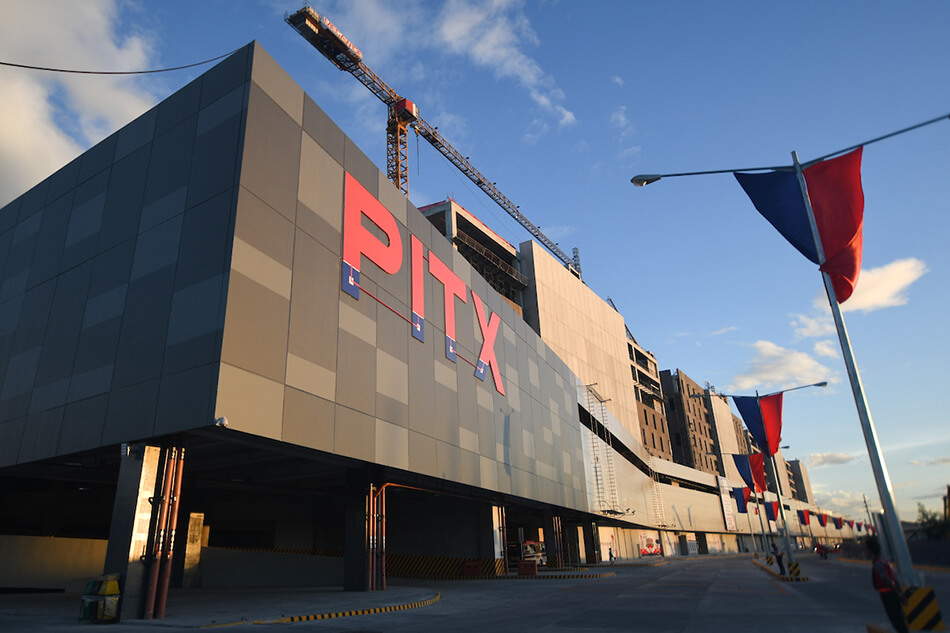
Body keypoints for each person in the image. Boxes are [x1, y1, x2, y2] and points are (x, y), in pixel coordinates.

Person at [867, 536, 909, 633]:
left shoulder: (877, 564)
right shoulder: (885, 562)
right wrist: (900, 592)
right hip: (891, 594)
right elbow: (894, 578)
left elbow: (887, 579)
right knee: (899, 620)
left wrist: (897, 592)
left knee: (896, 621)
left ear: (870, 550)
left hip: (887, 595)